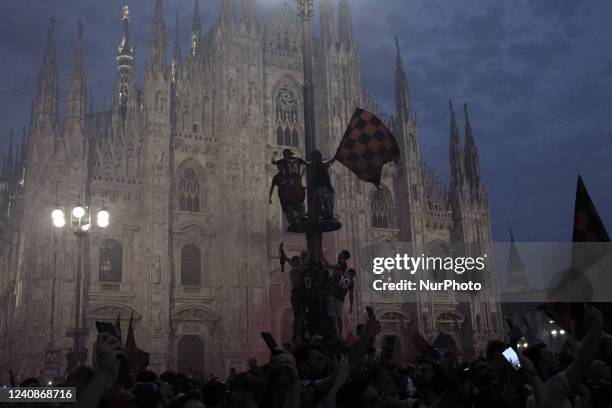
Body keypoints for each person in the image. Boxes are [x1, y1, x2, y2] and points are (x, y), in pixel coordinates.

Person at [524, 306, 604, 408]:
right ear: (543, 366)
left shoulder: (534, 394)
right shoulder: (551, 388)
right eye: (550, 356)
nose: (556, 357)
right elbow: (582, 362)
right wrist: (597, 322)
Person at [270, 149, 307, 225]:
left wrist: (273, 154)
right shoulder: (297, 159)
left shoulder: (284, 161)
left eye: (284, 154)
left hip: (290, 182)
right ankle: (298, 215)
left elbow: (273, 162)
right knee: (299, 198)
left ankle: (295, 214)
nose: (284, 156)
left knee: (285, 200)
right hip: (296, 182)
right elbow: (307, 163)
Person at [327, 268, 356, 339]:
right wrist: (351, 305)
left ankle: (336, 332)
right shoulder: (351, 282)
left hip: (332, 296)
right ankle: (339, 333)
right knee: (338, 317)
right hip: (339, 299)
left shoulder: (339, 274)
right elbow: (351, 295)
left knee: (333, 316)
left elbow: (330, 282)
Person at [308, 150, 335, 219]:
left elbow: (325, 165)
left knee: (326, 203)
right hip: (318, 188)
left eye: (313, 158)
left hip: (323, 188)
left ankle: (327, 216)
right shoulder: (315, 166)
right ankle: (319, 216)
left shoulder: (320, 165)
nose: (312, 160)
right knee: (318, 204)